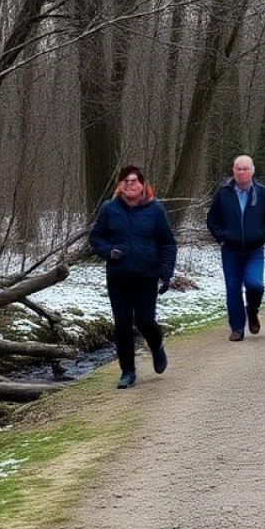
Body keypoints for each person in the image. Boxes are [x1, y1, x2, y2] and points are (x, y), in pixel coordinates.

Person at [90, 163, 177, 389]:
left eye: (134, 181)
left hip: (146, 275)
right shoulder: (109, 209)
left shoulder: (155, 209)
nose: (130, 185)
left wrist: (165, 274)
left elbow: (168, 244)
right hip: (118, 275)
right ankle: (127, 371)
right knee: (122, 325)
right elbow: (96, 237)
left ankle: (156, 346)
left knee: (145, 320)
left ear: (142, 184)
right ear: (119, 185)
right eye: (125, 181)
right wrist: (108, 251)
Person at [207, 154, 265, 342]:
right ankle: (237, 328)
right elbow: (212, 221)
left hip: (254, 250)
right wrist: (223, 237)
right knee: (232, 288)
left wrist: (262, 236)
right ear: (233, 171)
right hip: (230, 250)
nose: (241, 172)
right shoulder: (223, 193)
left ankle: (252, 311)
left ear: (252, 171)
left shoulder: (263, 193)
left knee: (255, 284)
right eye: (238, 169)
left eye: (245, 169)